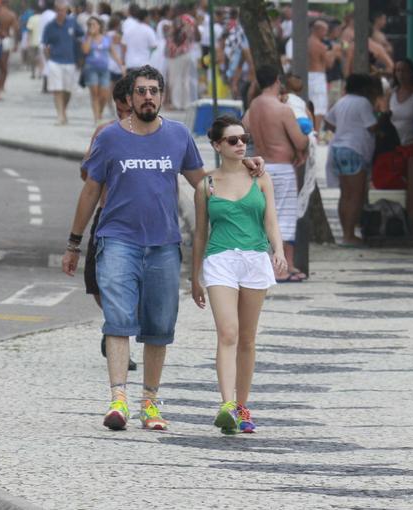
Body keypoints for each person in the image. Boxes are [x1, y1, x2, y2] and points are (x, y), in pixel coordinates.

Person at [61, 65, 263, 431]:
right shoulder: (109, 138)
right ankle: (118, 399)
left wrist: (240, 165)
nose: (148, 97)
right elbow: (91, 189)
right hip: (117, 240)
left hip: (164, 245)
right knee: (118, 319)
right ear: (131, 98)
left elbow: (202, 182)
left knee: (159, 327)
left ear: (162, 96)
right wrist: (74, 244)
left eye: (154, 90)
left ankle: (150, 403)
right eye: (141, 91)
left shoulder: (177, 136)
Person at [191, 116, 287, 434]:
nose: (241, 144)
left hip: (255, 258)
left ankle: (243, 405)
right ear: (218, 145)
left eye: (243, 138)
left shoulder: (260, 177)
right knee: (228, 333)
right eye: (232, 140)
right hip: (219, 260)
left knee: (247, 338)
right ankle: (226, 405)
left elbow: (271, 219)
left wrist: (279, 251)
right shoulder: (207, 184)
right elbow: (200, 234)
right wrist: (195, 276)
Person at [80, 75, 137, 371]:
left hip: (142, 219)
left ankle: (119, 329)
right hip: (107, 215)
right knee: (96, 282)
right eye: (119, 112)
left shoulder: (159, 133)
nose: (123, 119)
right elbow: (86, 178)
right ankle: (114, 322)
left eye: (127, 112)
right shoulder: (105, 133)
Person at [244, 65, 309, 281]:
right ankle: (281, 268)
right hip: (281, 168)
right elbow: (299, 141)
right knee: (284, 219)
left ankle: (283, 265)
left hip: (261, 167)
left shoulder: (253, 106)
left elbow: (243, 128)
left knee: (266, 218)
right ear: (277, 82)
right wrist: (309, 135)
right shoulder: (282, 109)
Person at [324, 74, 378, 245]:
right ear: (364, 88)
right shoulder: (363, 103)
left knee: (345, 194)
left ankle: (345, 234)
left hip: (338, 149)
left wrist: (344, 127)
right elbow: (372, 126)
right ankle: (349, 235)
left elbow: (328, 121)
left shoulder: (342, 101)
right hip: (354, 149)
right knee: (356, 195)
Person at [42, 0, 83, 125]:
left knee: (67, 90)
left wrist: (80, 56)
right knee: (57, 89)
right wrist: (48, 58)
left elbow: (81, 36)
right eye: (58, 10)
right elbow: (45, 44)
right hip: (55, 61)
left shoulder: (72, 22)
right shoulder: (49, 26)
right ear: (55, 10)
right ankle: (60, 115)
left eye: (63, 10)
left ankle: (63, 111)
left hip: (70, 61)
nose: (61, 13)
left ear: (66, 10)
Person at [81, 16, 123, 123]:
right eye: (90, 25)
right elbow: (85, 51)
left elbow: (113, 53)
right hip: (91, 68)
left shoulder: (106, 38)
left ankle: (100, 113)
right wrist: (90, 36)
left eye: (94, 24)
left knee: (104, 94)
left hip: (104, 69)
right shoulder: (86, 38)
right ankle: (97, 117)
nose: (92, 26)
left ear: (99, 26)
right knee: (94, 94)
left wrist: (121, 65)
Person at [308, 20, 341, 134]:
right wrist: (334, 51)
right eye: (325, 31)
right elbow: (329, 64)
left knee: (310, 105)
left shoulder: (306, 43)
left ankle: (310, 131)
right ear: (317, 30)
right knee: (319, 107)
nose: (326, 34)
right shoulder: (320, 46)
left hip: (308, 75)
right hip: (318, 77)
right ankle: (316, 132)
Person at [167, 6, 198, 110]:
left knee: (176, 80)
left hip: (177, 54)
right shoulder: (191, 21)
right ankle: (186, 104)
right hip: (188, 53)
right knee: (185, 80)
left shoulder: (178, 21)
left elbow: (176, 37)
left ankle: (177, 104)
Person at [121, 7, 157, 73]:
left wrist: (123, 60)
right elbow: (154, 46)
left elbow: (123, 45)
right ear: (146, 17)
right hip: (143, 64)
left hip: (130, 63)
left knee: (131, 83)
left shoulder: (129, 29)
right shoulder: (149, 30)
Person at [0, 0, 20, 94]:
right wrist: (16, 44)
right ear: (8, 2)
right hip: (6, 39)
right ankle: (1, 85)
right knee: (4, 64)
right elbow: (16, 30)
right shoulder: (11, 15)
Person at [25, 6, 44, 79]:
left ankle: (33, 73)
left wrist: (28, 41)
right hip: (41, 42)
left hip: (33, 42)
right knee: (40, 58)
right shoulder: (43, 18)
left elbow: (29, 31)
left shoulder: (31, 19)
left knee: (32, 59)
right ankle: (40, 73)